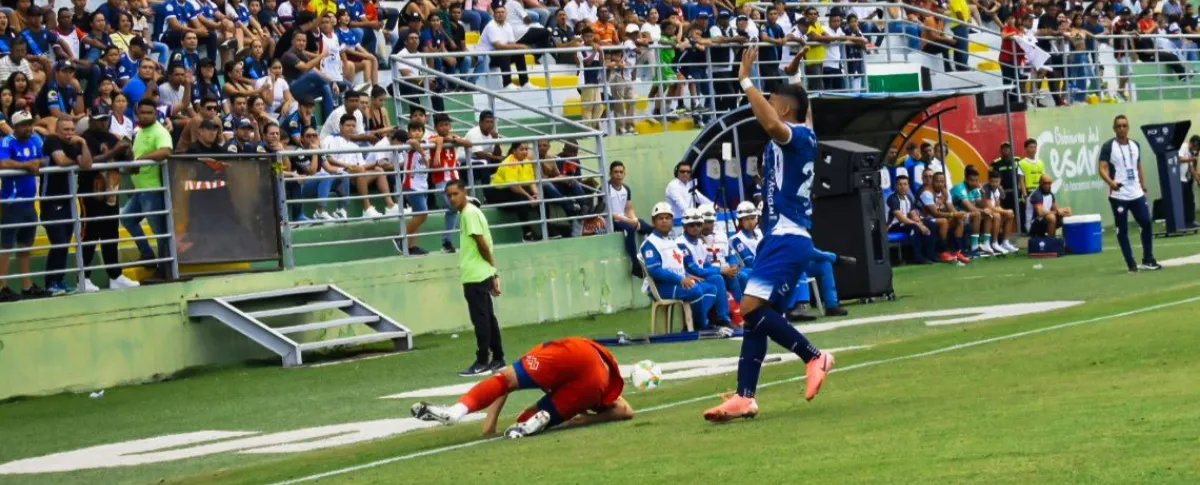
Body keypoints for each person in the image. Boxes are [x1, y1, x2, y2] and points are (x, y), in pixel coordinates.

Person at [704, 47, 835, 422]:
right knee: (757, 316)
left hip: (785, 236)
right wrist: (794, 78)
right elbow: (801, 109)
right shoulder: (806, 133)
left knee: (750, 309)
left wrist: (745, 81)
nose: (766, 101)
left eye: (771, 99)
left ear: (784, 110)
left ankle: (814, 355)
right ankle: (745, 397)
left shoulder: (789, 133)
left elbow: (772, 124)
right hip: (783, 237)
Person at [411, 336, 633, 439]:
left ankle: (455, 411)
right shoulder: (604, 389)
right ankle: (535, 422)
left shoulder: (538, 353)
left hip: (576, 353)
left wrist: (489, 427)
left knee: (504, 379)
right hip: (594, 382)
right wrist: (585, 420)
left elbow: (504, 383)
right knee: (523, 424)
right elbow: (626, 411)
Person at [443, 180, 506, 377]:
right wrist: (493, 271)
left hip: (475, 275)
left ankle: (482, 362)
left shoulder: (469, 213)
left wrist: (492, 267)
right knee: (488, 317)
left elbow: (482, 244)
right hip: (481, 272)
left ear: (464, 192)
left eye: (455, 194)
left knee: (481, 320)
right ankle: (498, 358)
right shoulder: (469, 212)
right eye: (449, 195)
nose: (452, 198)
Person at [78, 104, 139, 292]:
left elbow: (129, 163)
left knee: (111, 234)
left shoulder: (111, 137)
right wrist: (114, 152)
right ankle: (83, 277)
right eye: (99, 119)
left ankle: (115, 275)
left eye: (105, 119)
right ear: (90, 119)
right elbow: (88, 162)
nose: (103, 123)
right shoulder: (84, 138)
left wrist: (128, 151)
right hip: (91, 193)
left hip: (111, 191)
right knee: (90, 234)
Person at [1098, 115, 1160, 272]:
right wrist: (1111, 183)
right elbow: (1102, 168)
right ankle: (1131, 263)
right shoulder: (1108, 146)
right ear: (1114, 128)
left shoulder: (1135, 145)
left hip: (1136, 192)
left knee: (1146, 222)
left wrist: (1143, 186)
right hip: (1119, 195)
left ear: (1128, 127)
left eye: (1124, 125)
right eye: (1118, 126)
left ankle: (1148, 259)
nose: (1121, 128)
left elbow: (1138, 167)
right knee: (1122, 230)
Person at [640, 203, 718, 327]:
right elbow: (654, 271)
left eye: (667, 218)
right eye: (660, 218)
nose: (664, 221)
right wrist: (681, 278)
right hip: (662, 286)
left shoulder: (670, 241)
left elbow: (676, 265)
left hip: (676, 282)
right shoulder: (650, 243)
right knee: (695, 290)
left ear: (672, 221)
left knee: (711, 288)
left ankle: (694, 323)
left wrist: (687, 275)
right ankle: (701, 325)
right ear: (654, 222)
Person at [0, 111, 50, 301]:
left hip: (30, 201)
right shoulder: (7, 142)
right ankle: (1, 286)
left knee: (25, 246)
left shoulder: (35, 140)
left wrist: (38, 162)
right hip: (12, 201)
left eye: (30, 124)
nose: (28, 128)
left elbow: (45, 158)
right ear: (15, 126)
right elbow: (2, 163)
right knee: (6, 245)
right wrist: (26, 165)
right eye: (24, 125)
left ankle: (26, 285)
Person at [40, 117, 93, 295]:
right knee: (59, 241)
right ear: (57, 130)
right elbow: (61, 161)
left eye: (72, 129)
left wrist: (83, 143)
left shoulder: (74, 144)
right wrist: (77, 161)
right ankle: (50, 283)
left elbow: (87, 164)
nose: (70, 133)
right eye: (66, 130)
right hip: (50, 201)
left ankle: (59, 281)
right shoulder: (52, 141)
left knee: (65, 242)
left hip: (68, 201)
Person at [121, 99, 174, 276]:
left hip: (153, 189)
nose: (145, 115)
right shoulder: (140, 132)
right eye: (142, 112)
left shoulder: (160, 131)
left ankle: (165, 269)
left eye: (149, 113)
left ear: (156, 114)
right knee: (127, 219)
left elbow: (166, 151)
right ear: (137, 113)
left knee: (160, 232)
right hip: (140, 190)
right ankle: (148, 255)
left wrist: (142, 160)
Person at [675, 208, 734, 328]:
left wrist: (724, 268)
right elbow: (694, 270)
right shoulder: (681, 243)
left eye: (698, 224)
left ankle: (724, 318)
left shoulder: (699, 242)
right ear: (684, 226)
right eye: (691, 225)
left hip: (698, 277)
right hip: (685, 278)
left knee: (720, 277)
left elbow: (706, 265)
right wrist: (721, 270)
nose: (695, 227)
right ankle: (700, 321)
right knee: (717, 277)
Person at [607, 160, 651, 277]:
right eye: (615, 172)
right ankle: (635, 264)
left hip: (624, 218)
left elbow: (629, 208)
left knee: (650, 228)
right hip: (612, 220)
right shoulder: (606, 188)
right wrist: (628, 221)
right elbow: (606, 212)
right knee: (630, 229)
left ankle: (651, 259)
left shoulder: (626, 188)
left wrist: (634, 219)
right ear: (610, 173)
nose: (618, 175)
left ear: (624, 174)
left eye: (621, 172)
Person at [887, 174, 938, 264]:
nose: (903, 187)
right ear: (896, 186)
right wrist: (918, 225)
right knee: (915, 227)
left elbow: (914, 215)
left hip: (906, 224)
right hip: (894, 225)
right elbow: (901, 218)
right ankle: (918, 257)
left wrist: (921, 224)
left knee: (931, 224)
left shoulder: (909, 198)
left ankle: (931, 254)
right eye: (900, 184)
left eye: (905, 184)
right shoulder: (893, 199)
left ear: (908, 186)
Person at [921, 171, 970, 264]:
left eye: (942, 181)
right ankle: (944, 252)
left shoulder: (945, 192)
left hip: (940, 218)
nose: (940, 184)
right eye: (937, 181)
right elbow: (935, 213)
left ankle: (958, 251)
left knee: (959, 219)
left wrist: (959, 214)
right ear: (932, 181)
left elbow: (951, 208)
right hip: (927, 219)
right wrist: (953, 214)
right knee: (944, 221)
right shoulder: (926, 193)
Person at [949, 165, 996, 256]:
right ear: (966, 179)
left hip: (966, 215)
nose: (975, 183)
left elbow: (982, 204)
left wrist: (983, 194)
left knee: (991, 215)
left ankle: (986, 244)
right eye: (972, 180)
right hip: (956, 215)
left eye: (976, 180)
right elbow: (970, 208)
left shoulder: (975, 189)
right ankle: (974, 247)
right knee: (977, 214)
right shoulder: (960, 188)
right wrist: (984, 210)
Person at [980, 166, 1020, 254]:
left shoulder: (999, 189)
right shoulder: (985, 188)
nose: (994, 184)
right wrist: (1005, 211)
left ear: (1000, 180)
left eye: (996, 182)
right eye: (992, 182)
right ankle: (994, 243)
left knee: (1010, 215)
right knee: (998, 215)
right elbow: (989, 207)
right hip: (984, 212)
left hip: (993, 212)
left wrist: (1006, 212)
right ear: (989, 180)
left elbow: (997, 205)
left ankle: (1005, 242)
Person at [1176, 135, 1200, 229]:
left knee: (1190, 201)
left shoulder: (1191, 153)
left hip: (1186, 179)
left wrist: (1198, 179)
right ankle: (1181, 223)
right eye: (1197, 147)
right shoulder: (1183, 146)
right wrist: (1192, 159)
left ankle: (1190, 221)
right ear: (1194, 144)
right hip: (1179, 179)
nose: (1197, 150)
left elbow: (1191, 168)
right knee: (1181, 202)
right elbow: (1178, 159)